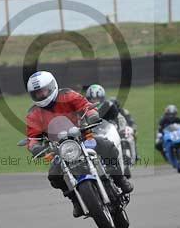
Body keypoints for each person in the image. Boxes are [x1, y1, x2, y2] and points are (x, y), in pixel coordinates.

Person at [26, 71, 133, 217]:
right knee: (54, 176)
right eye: (37, 93)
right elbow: (32, 136)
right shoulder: (34, 113)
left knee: (106, 145)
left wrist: (92, 115)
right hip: (60, 148)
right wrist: (34, 147)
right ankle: (75, 200)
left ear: (52, 87)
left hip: (82, 136)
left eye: (43, 91)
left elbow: (85, 105)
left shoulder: (67, 95)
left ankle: (120, 178)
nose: (41, 95)